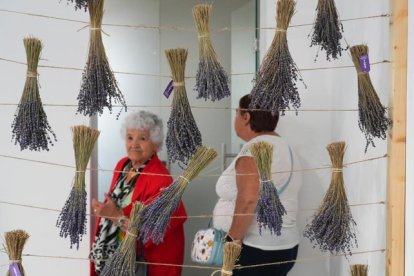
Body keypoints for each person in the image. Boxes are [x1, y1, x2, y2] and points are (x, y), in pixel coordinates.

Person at [213, 94, 301, 276]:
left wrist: (232, 241)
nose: (235, 118)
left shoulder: (255, 149)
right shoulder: (286, 147)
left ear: (246, 117)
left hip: (255, 250)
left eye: (237, 113)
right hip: (284, 247)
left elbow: (248, 199)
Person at [89, 110, 187, 276]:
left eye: (142, 138)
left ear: (155, 143)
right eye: (129, 137)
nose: (134, 144)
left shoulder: (161, 179)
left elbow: (151, 234)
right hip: (116, 255)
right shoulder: (123, 165)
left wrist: (114, 216)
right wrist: (105, 210)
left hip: (149, 264)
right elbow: (117, 204)